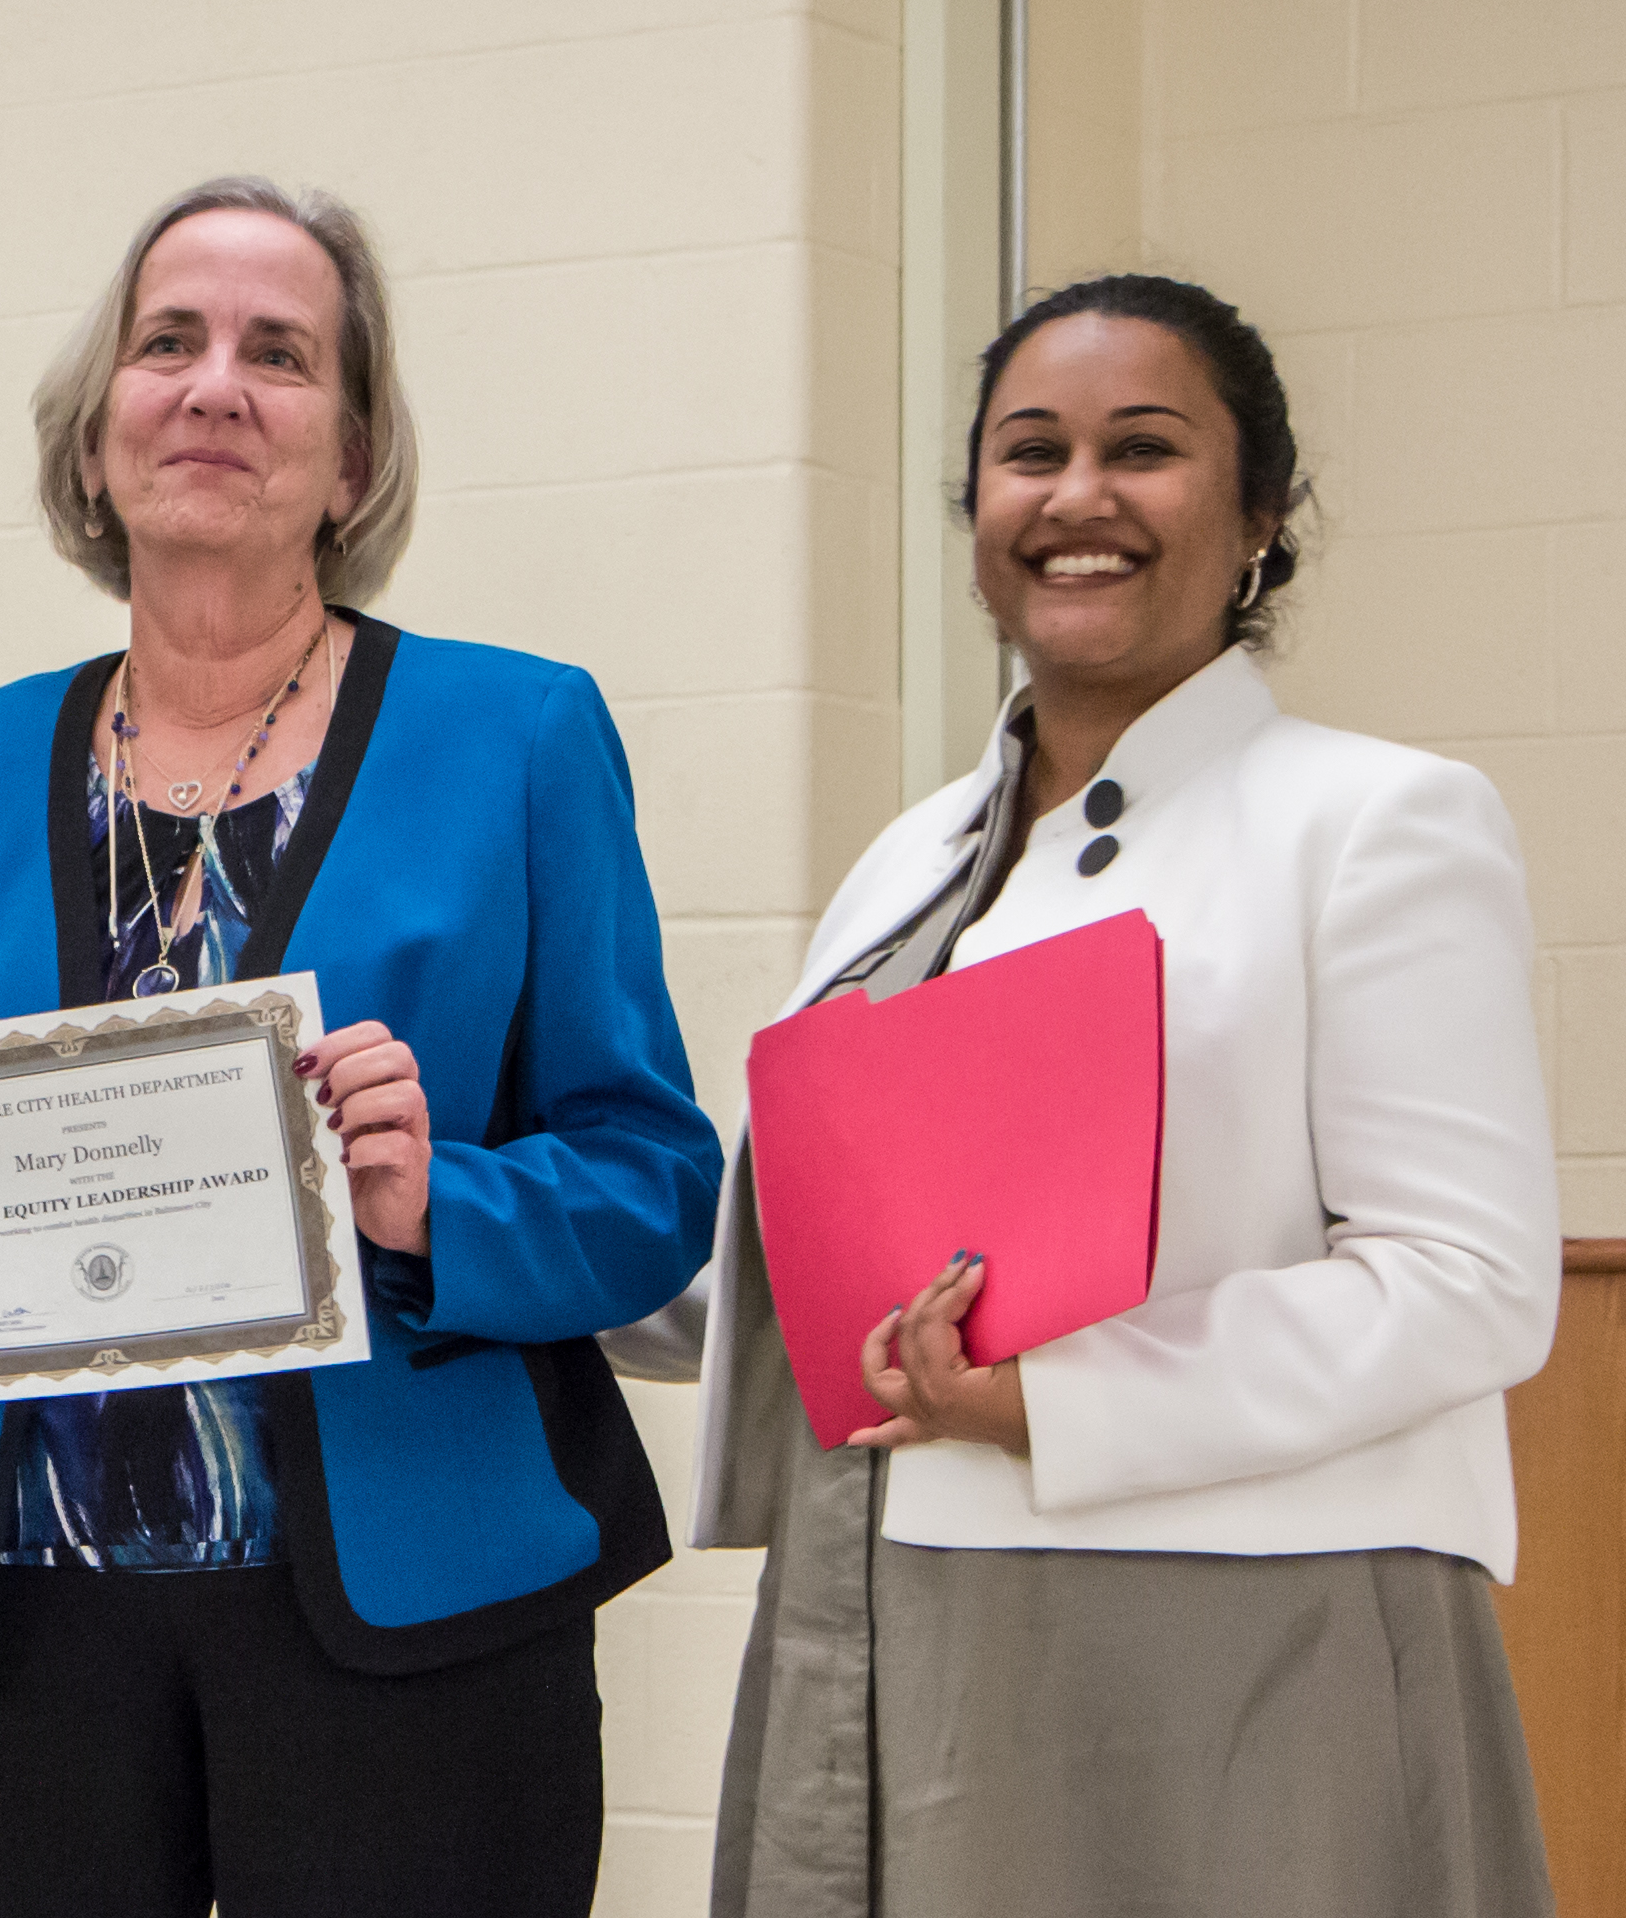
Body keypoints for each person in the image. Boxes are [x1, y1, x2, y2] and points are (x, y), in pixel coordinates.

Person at [0, 178, 724, 1918]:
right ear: (96, 427)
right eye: (167, 343)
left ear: (350, 456)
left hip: (401, 1605)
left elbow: (652, 1182)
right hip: (10, 1614)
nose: (213, 388)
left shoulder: (515, 735)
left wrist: (440, 1203)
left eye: (279, 353)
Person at [617, 274, 1558, 1916]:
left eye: (1144, 449)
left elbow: (1466, 1289)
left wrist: (1052, 1401)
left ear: (1258, 511)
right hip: (883, 1615)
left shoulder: (1376, 822)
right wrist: (461, 1238)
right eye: (1026, 453)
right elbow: (813, 1265)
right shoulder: (909, 862)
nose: (1075, 499)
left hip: (1234, 1641)